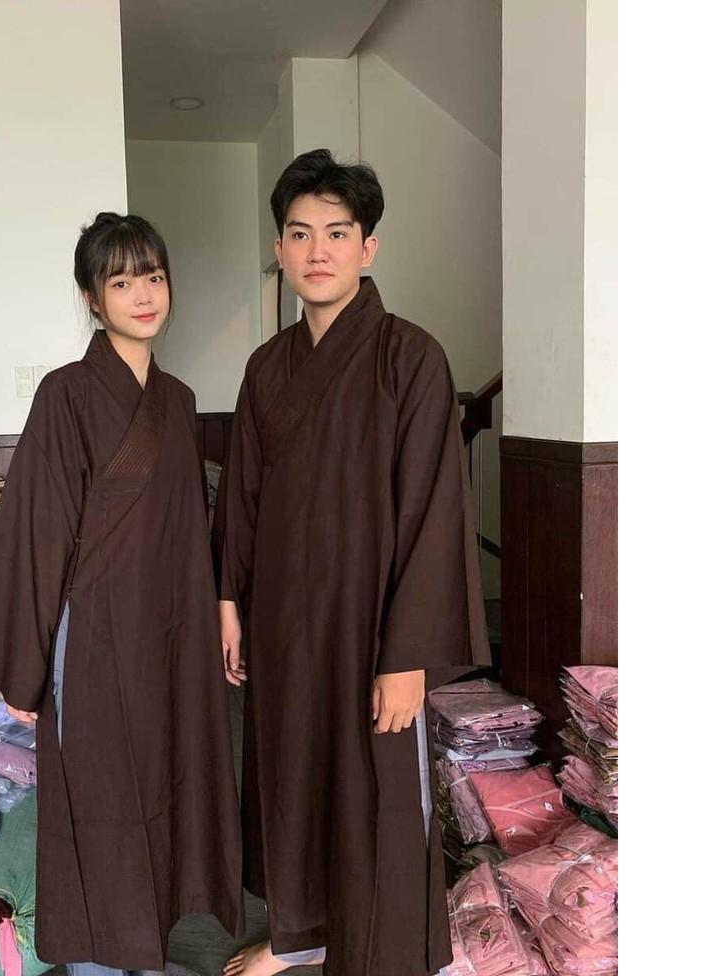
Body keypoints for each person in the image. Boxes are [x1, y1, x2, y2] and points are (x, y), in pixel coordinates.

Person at [213, 150, 490, 976]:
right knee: (294, 773)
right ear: (280, 250)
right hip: (286, 622)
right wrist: (230, 602)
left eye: (337, 233)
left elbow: (435, 512)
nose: (318, 251)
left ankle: (377, 947)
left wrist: (408, 657)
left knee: (374, 787)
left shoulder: (411, 358)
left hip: (373, 625)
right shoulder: (267, 369)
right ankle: (299, 934)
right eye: (299, 234)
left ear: (368, 246)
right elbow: (242, 497)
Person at [0, 212, 243, 976]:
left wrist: (213, 622)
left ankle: (146, 951)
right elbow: (37, 531)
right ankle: (97, 961)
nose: (143, 295)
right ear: (93, 297)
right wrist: (26, 666)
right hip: (90, 633)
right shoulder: (65, 395)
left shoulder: (178, 401)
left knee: (163, 784)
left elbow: (189, 531)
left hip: (170, 631)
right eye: (122, 282)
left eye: (153, 277)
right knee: (99, 794)